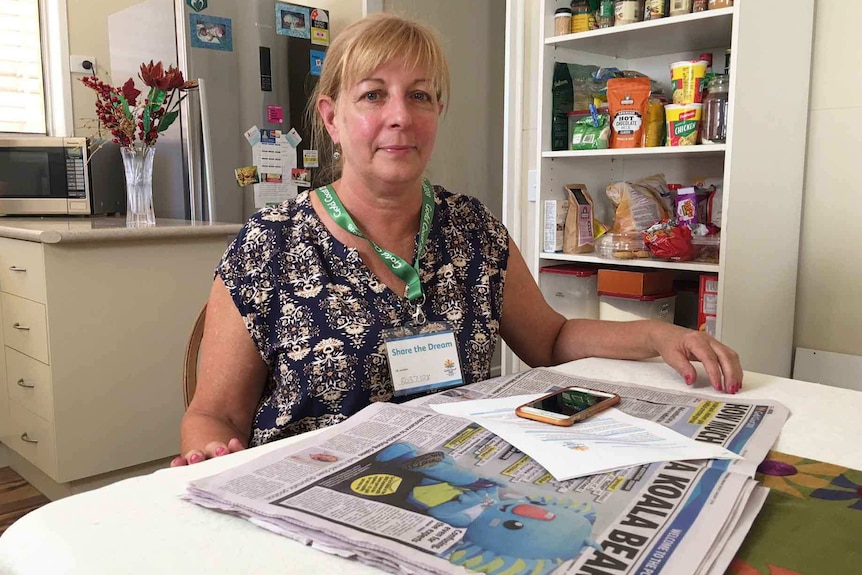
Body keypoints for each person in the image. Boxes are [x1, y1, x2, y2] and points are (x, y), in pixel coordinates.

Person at [172, 13, 742, 467]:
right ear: (331, 116)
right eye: (373, 95)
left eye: (420, 96)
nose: (400, 116)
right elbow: (214, 414)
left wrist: (659, 335)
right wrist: (211, 454)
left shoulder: (472, 229)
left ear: (438, 110)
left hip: (459, 485)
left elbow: (553, 338)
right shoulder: (266, 246)